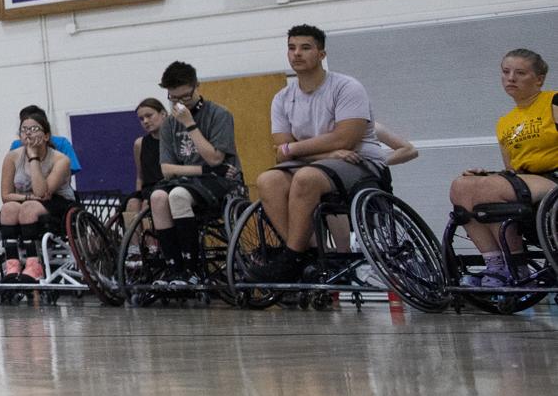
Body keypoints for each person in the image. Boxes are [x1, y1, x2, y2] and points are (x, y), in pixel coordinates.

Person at [251, 25, 387, 282]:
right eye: (291, 48)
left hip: (360, 162)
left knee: (306, 178)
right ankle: (308, 253)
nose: (297, 54)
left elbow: (347, 138)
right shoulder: (282, 98)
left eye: (305, 47)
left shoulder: (347, 87)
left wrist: (295, 149)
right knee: (267, 180)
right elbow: (281, 152)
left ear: (322, 53)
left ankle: (290, 258)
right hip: (318, 163)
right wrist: (323, 152)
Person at [450, 49, 557, 286]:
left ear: (538, 79)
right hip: (525, 180)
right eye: (506, 72)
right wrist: (486, 175)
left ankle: (517, 267)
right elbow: (511, 170)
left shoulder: (553, 101)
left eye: (520, 73)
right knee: (462, 186)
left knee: (489, 189)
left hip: (552, 177)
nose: (510, 78)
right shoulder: (504, 122)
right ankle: (495, 265)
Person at [148, 62, 240, 276]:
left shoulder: (219, 114)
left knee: (178, 196)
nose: (180, 104)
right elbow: (167, 169)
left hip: (222, 182)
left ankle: (192, 269)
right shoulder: (169, 124)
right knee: (158, 198)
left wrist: (190, 124)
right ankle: (174, 269)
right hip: (195, 178)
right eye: (174, 98)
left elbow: (215, 158)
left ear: (197, 86)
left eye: (185, 97)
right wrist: (203, 171)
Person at [0, 107, 76, 282]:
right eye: (24, 130)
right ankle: (12, 265)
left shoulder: (61, 159)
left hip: (58, 201)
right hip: (27, 199)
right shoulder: (11, 157)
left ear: (46, 136)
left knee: (28, 208)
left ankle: (34, 265)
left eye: (34, 129)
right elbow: (6, 195)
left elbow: (43, 193)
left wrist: (33, 157)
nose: (28, 134)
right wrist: (27, 197)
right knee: (9, 208)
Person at [128, 98, 165, 228]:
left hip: (167, 186)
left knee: (146, 204)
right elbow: (140, 176)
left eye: (149, 116)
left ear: (163, 114)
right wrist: (139, 193)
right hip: (148, 187)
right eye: (141, 119)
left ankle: (152, 245)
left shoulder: (173, 139)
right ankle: (134, 247)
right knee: (132, 204)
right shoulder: (140, 143)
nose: (146, 121)